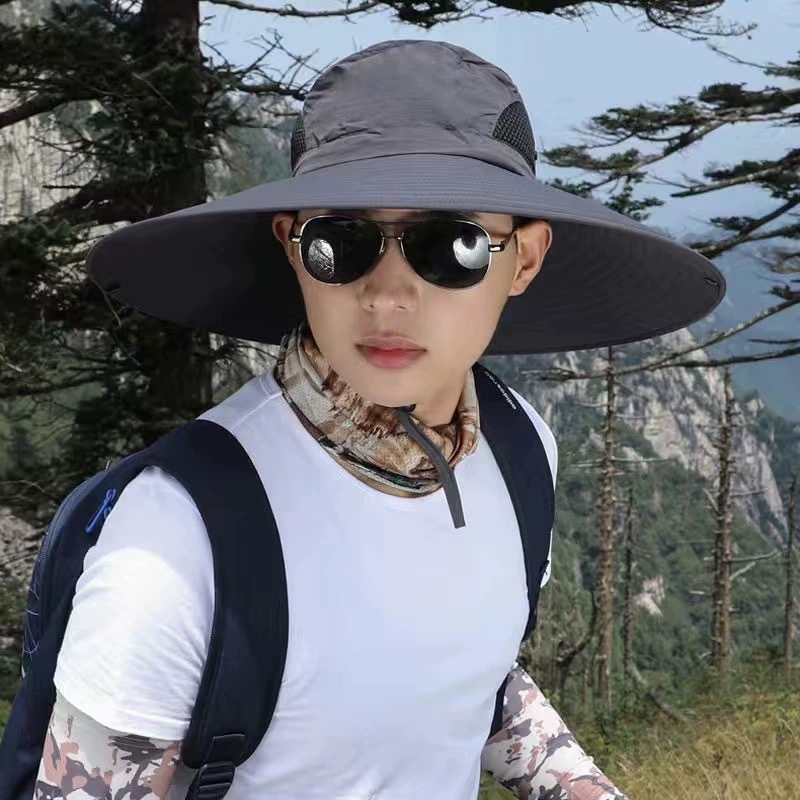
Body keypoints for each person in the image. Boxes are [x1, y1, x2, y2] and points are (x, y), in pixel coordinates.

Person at [31, 40, 723, 799]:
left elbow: (471, 678)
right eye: (342, 242)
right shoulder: (177, 536)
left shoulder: (521, 450)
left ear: (524, 260)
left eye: (452, 245)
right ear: (293, 247)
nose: (388, 295)